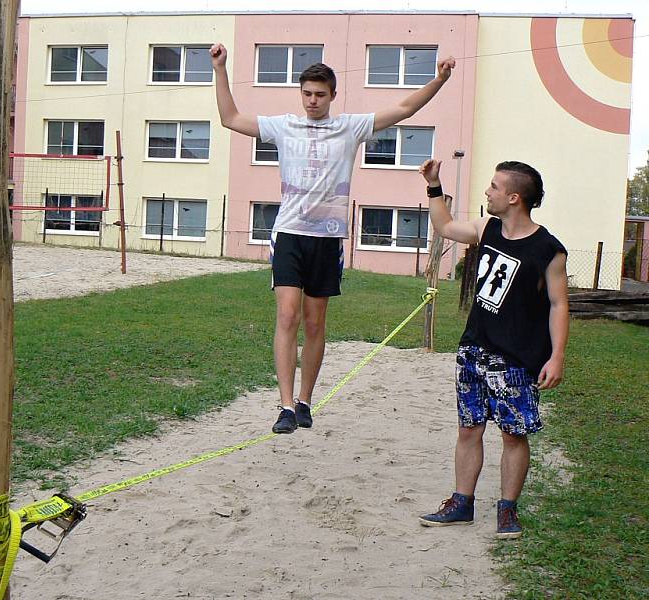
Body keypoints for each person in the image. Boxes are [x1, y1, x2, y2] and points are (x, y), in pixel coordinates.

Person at [209, 43, 456, 434]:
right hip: (290, 233)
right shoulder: (283, 125)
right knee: (287, 315)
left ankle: (306, 400)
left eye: (320, 95)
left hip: (328, 239)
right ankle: (286, 406)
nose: (312, 101)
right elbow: (230, 117)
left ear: (332, 96)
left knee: (315, 322)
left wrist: (439, 79)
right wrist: (220, 68)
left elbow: (405, 109)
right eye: (307, 93)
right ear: (301, 94)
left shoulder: (349, 127)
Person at [417, 159, 569, 539]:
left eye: (494, 187)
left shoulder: (548, 250)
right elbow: (445, 226)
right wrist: (434, 186)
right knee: (468, 429)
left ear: (514, 197)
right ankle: (461, 503)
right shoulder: (487, 229)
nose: (488, 192)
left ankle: (507, 510)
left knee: (513, 435)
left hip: (517, 359)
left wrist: (557, 355)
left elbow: (558, 305)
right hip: (474, 351)